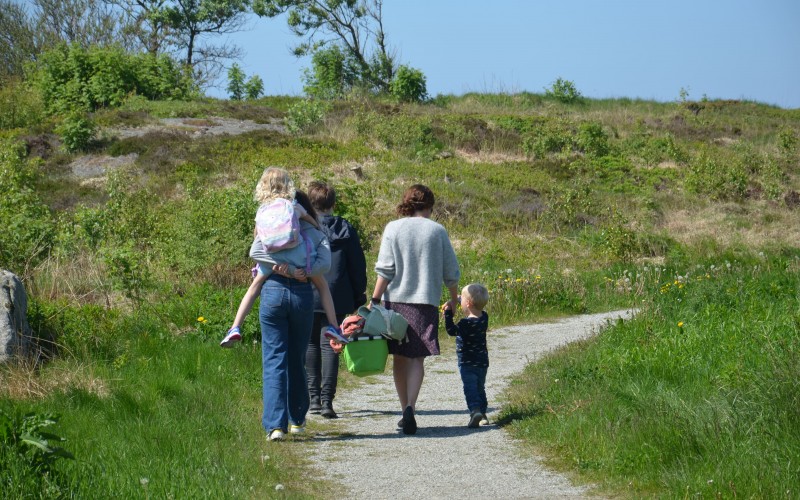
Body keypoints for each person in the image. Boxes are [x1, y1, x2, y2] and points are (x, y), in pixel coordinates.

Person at [220, 168, 348, 348]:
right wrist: (315, 229)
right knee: (322, 285)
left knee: (254, 286)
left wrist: (277, 262)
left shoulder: (263, 210)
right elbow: (309, 220)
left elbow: (257, 238)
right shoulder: (293, 205)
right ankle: (334, 326)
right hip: (299, 254)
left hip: (272, 257)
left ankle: (235, 326)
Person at [370, 184, 460, 435]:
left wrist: (374, 301)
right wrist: (454, 299)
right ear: (430, 205)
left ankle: (403, 410)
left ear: (407, 203)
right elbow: (450, 271)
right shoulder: (437, 231)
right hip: (425, 302)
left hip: (395, 301)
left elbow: (385, 270)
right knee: (417, 358)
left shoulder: (393, 228)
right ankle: (411, 406)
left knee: (400, 357)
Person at [252, 182, 335, 441]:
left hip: (273, 293)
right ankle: (297, 419)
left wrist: (281, 267)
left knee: (274, 359)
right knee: (297, 358)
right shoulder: (313, 232)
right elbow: (325, 266)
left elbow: (255, 253)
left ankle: (275, 426)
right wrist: (303, 273)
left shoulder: (271, 230)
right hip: (301, 296)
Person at [305, 181, 368, 419]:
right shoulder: (346, 228)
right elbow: (357, 265)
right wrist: (358, 294)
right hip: (338, 295)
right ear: (333, 203)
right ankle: (327, 401)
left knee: (311, 344)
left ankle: (313, 401)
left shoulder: (305, 228)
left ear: (310, 203)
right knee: (330, 344)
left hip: (309, 292)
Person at [442, 283, 491, 428]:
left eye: (462, 299)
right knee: (480, 387)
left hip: (467, 363)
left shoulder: (465, 323)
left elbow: (451, 330)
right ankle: (483, 414)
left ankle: (475, 410)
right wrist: (457, 298)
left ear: (468, 303)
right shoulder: (484, 318)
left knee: (470, 388)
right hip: (482, 362)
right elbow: (468, 302)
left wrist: (448, 314)